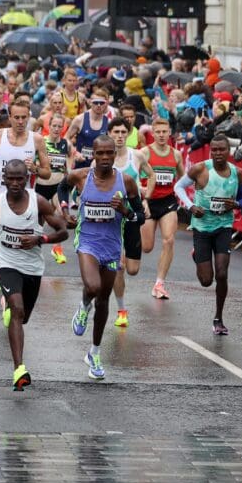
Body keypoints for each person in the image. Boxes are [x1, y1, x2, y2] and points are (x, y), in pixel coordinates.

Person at [0, 160, 69, 390]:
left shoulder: (39, 203)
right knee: (18, 309)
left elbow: (63, 231)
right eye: (10, 178)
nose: (15, 183)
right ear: (3, 179)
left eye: (19, 178)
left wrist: (40, 239)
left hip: (33, 267)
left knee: (23, 317)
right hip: (6, 264)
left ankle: (8, 305)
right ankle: (19, 369)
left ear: (27, 179)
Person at [66, 135, 144, 380]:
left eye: (109, 153)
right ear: (93, 155)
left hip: (112, 246)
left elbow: (139, 217)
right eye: (100, 153)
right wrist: (65, 207)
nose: (105, 158)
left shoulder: (126, 181)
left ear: (114, 154)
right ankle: (82, 306)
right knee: (93, 286)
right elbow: (62, 188)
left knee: (103, 300)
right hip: (87, 241)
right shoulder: (81, 176)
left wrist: (125, 210)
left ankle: (94, 353)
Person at [175, 134, 242, 335]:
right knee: (206, 280)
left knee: (222, 273)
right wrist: (190, 206)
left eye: (222, 150)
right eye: (214, 150)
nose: (218, 153)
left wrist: (237, 204)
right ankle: (198, 255)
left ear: (228, 152)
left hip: (224, 226)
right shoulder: (200, 169)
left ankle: (218, 318)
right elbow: (178, 186)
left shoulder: (237, 173)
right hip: (202, 228)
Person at [107, 117, 154, 328]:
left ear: (128, 134)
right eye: (115, 132)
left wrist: (145, 199)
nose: (119, 136)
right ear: (110, 134)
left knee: (133, 269)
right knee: (119, 266)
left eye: (123, 132)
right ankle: (121, 310)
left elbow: (151, 176)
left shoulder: (137, 156)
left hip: (132, 215)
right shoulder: (103, 158)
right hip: (111, 218)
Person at [139, 118, 184, 300]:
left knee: (169, 240)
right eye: (158, 132)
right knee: (147, 247)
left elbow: (183, 178)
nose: (161, 135)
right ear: (153, 133)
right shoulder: (144, 153)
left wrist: (185, 194)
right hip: (148, 202)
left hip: (167, 202)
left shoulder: (176, 155)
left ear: (169, 133)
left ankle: (159, 283)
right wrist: (140, 194)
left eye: (164, 132)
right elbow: (133, 175)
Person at [0, 98, 51, 199]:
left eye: (24, 117)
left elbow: (47, 174)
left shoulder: (37, 139)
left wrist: (35, 169)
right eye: (16, 117)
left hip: (25, 200)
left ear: (29, 117)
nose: (20, 121)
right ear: (9, 117)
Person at [66, 88, 110, 169]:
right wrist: (74, 152)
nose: (99, 105)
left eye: (101, 103)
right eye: (96, 102)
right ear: (90, 102)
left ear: (106, 103)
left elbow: (112, 145)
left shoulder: (108, 122)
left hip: (99, 166)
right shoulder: (80, 119)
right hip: (80, 164)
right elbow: (66, 138)